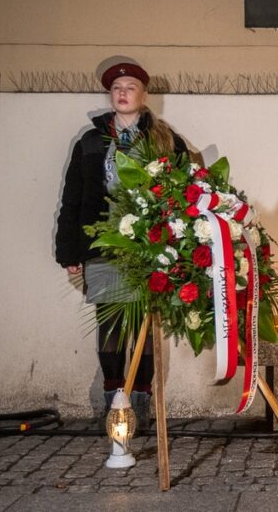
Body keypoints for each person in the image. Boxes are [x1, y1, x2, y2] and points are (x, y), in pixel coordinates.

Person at [55, 59, 188, 427]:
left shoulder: (164, 139)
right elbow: (72, 197)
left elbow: (183, 193)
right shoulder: (91, 141)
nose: (122, 93)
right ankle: (116, 398)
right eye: (116, 88)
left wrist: (178, 245)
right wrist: (68, 250)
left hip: (148, 247)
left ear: (144, 95)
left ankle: (141, 397)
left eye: (130, 87)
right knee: (111, 323)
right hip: (103, 245)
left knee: (144, 323)